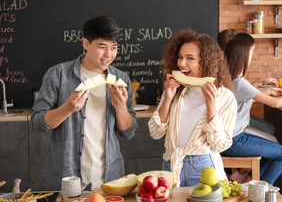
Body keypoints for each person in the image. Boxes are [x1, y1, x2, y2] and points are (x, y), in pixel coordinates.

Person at [31, 16, 137, 190]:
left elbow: (128, 132)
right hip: (66, 176)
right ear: (86, 44)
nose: (109, 55)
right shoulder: (58, 74)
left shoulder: (121, 78)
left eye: (114, 47)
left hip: (110, 177)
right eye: (102, 47)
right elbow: (37, 123)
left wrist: (121, 108)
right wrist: (67, 108)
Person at [221, 34, 282, 184]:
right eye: (252, 53)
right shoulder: (239, 82)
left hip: (231, 138)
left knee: (274, 150)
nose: (252, 56)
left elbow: (241, 101)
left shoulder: (230, 79)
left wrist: (266, 92)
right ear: (243, 56)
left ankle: (246, 186)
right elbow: (275, 103)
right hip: (235, 141)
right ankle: (260, 191)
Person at [148, 29, 237, 187]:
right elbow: (155, 132)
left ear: (206, 61)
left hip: (203, 168)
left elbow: (220, 145)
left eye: (190, 58)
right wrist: (168, 97)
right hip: (170, 166)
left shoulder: (225, 97)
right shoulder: (174, 91)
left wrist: (211, 106)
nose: (182, 64)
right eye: (180, 57)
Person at [217, 30, 277, 135]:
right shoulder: (226, 70)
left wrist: (261, 86)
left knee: (269, 128)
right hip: (235, 128)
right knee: (268, 129)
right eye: (250, 52)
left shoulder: (228, 68)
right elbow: (239, 91)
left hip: (233, 126)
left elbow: (239, 93)